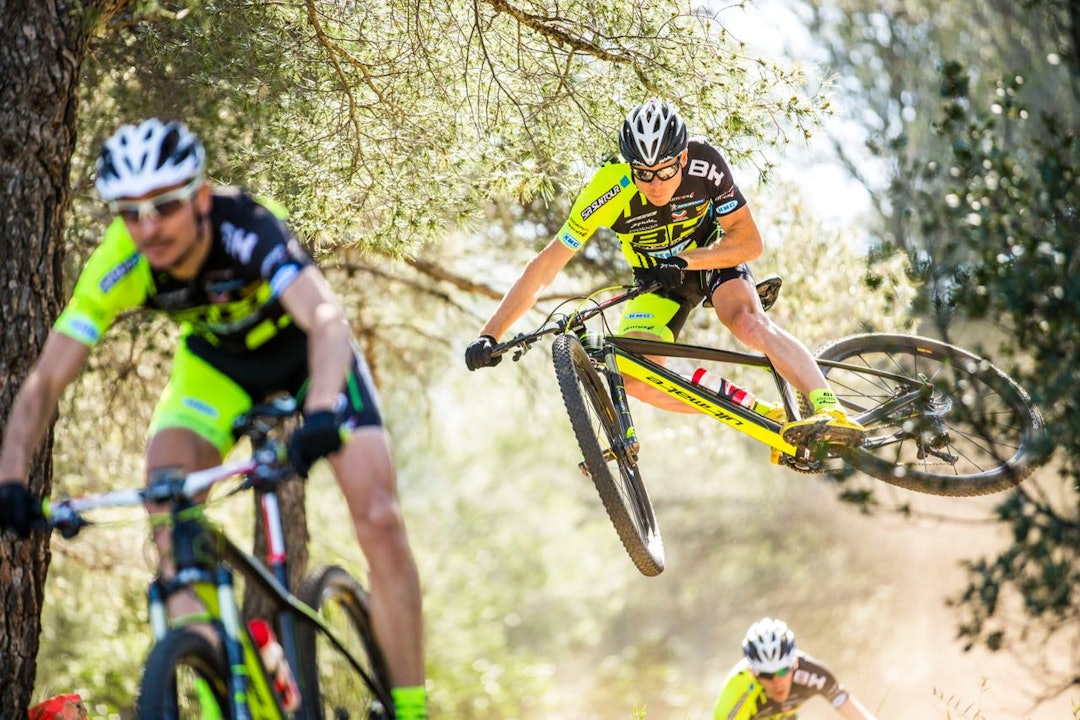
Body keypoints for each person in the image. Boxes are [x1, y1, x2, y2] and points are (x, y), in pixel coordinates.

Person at [0, 119, 427, 719]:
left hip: (307, 357)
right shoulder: (123, 260)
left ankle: (410, 709)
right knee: (168, 504)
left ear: (200, 197)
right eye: (130, 212)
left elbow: (328, 323)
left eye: (166, 205)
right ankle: (217, 684)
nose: (148, 227)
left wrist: (324, 412)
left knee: (379, 517)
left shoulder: (245, 226)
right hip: (217, 369)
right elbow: (46, 378)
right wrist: (11, 481)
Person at [464, 98, 864, 453]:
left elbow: (749, 242)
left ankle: (830, 408)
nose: (656, 184)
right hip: (657, 281)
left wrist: (689, 260)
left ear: (683, 160)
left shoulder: (706, 162)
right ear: (629, 166)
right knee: (635, 375)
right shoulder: (607, 188)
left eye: (665, 171)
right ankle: (762, 415)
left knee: (747, 322)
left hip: (710, 258)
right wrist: (491, 333)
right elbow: (546, 266)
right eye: (644, 173)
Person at [712, 617, 879, 719]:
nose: (777, 682)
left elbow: (859, 717)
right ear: (753, 672)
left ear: (795, 663)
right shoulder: (737, 692)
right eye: (767, 675)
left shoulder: (811, 674)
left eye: (783, 671)